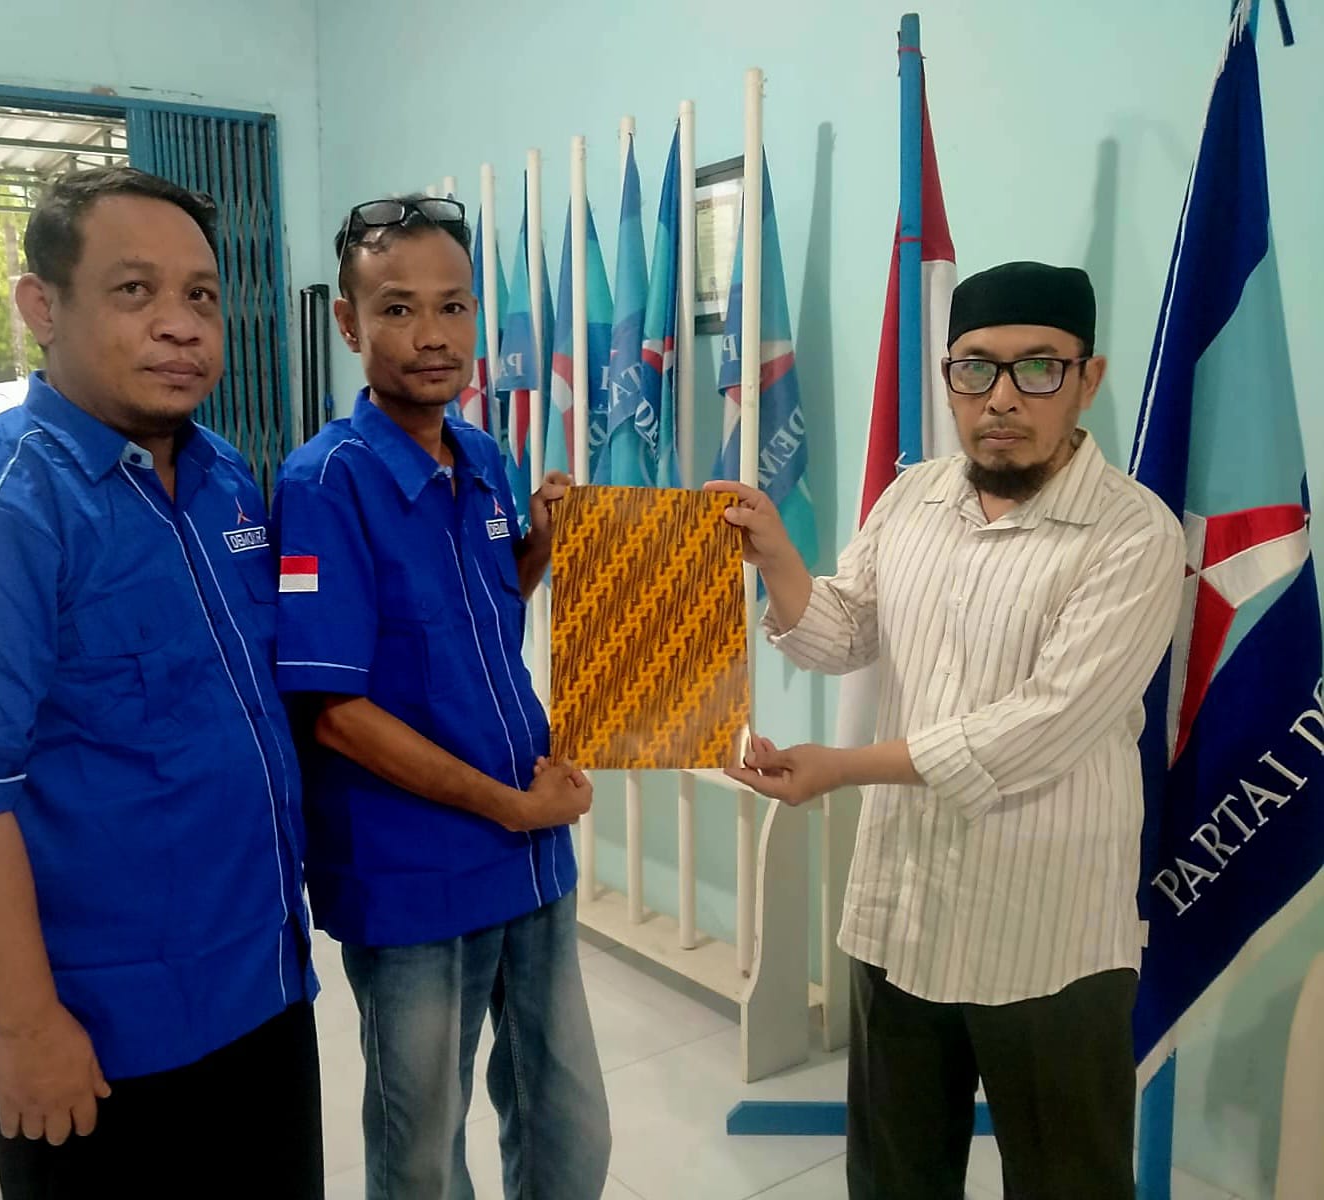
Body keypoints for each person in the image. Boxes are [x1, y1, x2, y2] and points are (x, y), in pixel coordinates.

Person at [0, 167, 322, 1200]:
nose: (180, 324)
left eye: (201, 295)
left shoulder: (221, 480)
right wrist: (27, 1028)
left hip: (263, 990)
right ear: (43, 307)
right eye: (134, 291)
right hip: (101, 1039)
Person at [715, 261, 1185, 1200]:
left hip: (1048, 935)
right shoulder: (914, 497)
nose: (1002, 397)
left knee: (1068, 1183)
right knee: (896, 1177)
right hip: (902, 914)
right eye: (976, 368)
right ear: (948, 378)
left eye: (1038, 368)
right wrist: (778, 559)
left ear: (1088, 379)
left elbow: (1040, 728)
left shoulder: (1135, 534)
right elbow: (845, 630)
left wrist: (842, 767)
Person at [271, 195, 610, 1198]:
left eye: (453, 307)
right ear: (349, 323)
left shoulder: (484, 457)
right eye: (398, 308)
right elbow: (334, 713)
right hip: (411, 873)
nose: (432, 335)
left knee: (567, 1123)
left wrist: (542, 541)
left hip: (530, 855)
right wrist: (509, 805)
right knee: (422, 1149)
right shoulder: (325, 483)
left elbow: (486, 603)